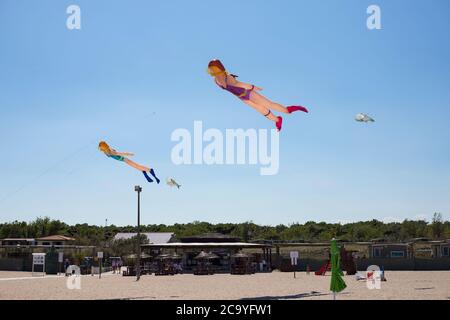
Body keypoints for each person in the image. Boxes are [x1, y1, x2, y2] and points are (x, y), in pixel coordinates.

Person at [208, 59, 308, 132]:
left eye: (214, 69)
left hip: (248, 92)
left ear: (219, 68)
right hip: (242, 97)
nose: (213, 72)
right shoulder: (216, 80)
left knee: (269, 104)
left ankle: (289, 110)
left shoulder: (228, 78)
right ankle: (277, 120)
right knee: (261, 109)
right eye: (211, 70)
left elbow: (240, 84)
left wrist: (253, 87)